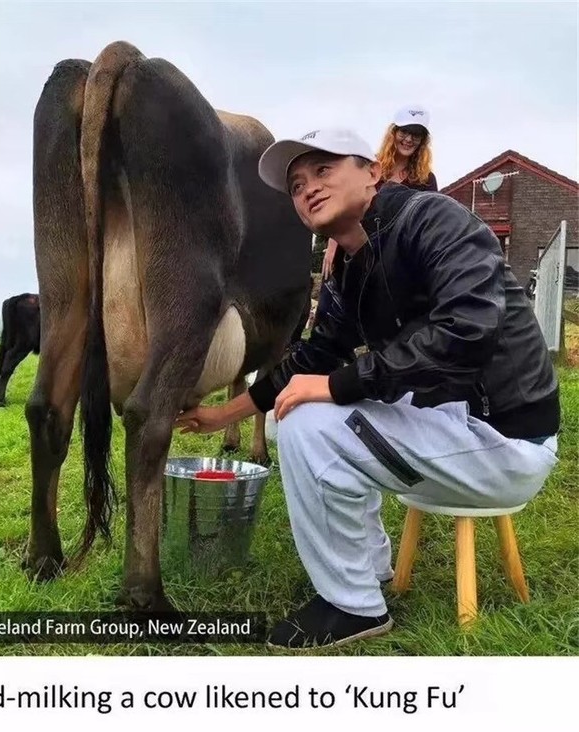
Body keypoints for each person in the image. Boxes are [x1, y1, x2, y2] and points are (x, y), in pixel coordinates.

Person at [175, 127, 560, 649]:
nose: (308, 187)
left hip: (504, 438)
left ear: (373, 173)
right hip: (447, 426)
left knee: (309, 421)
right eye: (296, 184)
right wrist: (223, 415)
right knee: (298, 407)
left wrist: (341, 384)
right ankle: (368, 570)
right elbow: (313, 357)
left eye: (324, 169)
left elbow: (467, 330)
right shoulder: (349, 269)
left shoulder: (433, 220)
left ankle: (351, 606)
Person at [321, 105, 437, 279]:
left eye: (416, 135)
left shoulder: (426, 180)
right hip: (356, 249)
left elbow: (430, 224)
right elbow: (345, 204)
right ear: (393, 133)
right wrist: (332, 245)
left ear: (423, 140)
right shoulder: (369, 166)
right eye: (404, 132)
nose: (409, 139)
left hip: (397, 261)